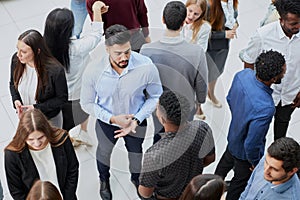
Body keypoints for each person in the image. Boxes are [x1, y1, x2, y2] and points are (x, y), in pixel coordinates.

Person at [80, 24, 162, 200]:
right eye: (118, 53)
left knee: (136, 153)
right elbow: (86, 103)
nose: (124, 57)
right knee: (104, 154)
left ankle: (136, 178)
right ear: (107, 48)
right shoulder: (93, 71)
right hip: (107, 122)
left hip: (136, 121)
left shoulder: (146, 66)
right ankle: (104, 180)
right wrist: (112, 119)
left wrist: (137, 119)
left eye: (127, 51)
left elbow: (156, 96)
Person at [215, 50, 286, 200]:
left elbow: (229, 99)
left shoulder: (242, 75)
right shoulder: (266, 108)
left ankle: (209, 191)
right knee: (238, 185)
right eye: (283, 72)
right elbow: (252, 143)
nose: (284, 74)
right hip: (244, 156)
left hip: (232, 138)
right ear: (273, 78)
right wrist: (255, 162)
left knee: (220, 171)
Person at [43, 2, 108, 146]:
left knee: (63, 122)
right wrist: (96, 10)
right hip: (79, 94)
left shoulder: (42, 50)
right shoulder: (79, 48)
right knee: (82, 112)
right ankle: (83, 132)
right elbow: (96, 33)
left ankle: (67, 138)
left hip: (56, 95)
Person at [140, 1, 208, 137]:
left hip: (159, 107)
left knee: (159, 136)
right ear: (184, 22)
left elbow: (142, 84)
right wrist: (200, 100)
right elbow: (202, 84)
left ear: (163, 20)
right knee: (184, 138)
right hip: (186, 106)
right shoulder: (197, 52)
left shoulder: (146, 50)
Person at [239, 0, 300, 140]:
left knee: (281, 132)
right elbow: (249, 62)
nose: (298, 26)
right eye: (294, 24)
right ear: (281, 20)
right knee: (257, 134)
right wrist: (253, 94)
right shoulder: (262, 35)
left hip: (289, 98)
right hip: (264, 97)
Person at [138, 91, 215, 200]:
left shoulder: (154, 155)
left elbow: (145, 193)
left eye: (158, 107)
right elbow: (211, 159)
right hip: (192, 192)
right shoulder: (203, 128)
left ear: (162, 119)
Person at [4, 109, 79, 200]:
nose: (37, 143)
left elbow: (73, 169)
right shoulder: (13, 154)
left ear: (47, 131)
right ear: (23, 137)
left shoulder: (62, 139)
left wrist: (67, 197)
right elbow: (16, 190)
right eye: (30, 140)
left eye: (41, 137)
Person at [9, 29, 68, 128]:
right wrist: (16, 100)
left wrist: (36, 108)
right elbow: (12, 83)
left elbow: (61, 98)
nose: (18, 55)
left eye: (23, 51)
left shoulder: (55, 70)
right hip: (26, 117)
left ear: (37, 51)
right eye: (17, 49)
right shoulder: (16, 60)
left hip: (48, 118)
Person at [206, 0, 238, 108]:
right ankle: (198, 106)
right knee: (205, 75)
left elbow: (233, 18)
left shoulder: (231, 3)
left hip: (223, 47)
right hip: (211, 49)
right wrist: (224, 34)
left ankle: (210, 94)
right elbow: (203, 32)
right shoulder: (209, 6)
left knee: (217, 72)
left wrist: (235, 24)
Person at [183, 0, 211, 120]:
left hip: (194, 62)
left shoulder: (205, 27)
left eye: (196, 14)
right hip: (181, 59)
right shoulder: (179, 18)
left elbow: (201, 49)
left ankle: (198, 106)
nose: (191, 16)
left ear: (202, 14)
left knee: (195, 86)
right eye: (190, 11)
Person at [86, 0, 150, 52]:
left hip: (114, 41)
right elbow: (142, 13)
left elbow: (99, 29)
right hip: (133, 36)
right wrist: (146, 34)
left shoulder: (93, 2)